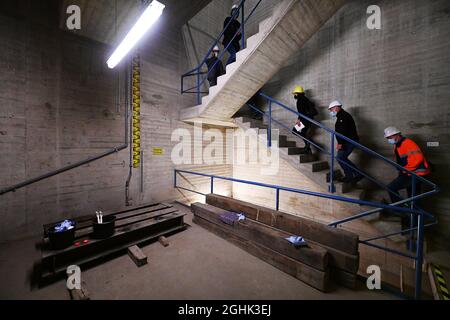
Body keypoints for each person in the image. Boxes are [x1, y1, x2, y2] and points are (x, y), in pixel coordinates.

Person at [384, 127, 431, 204]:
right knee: (413, 197)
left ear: (397, 135)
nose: (389, 139)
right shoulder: (398, 144)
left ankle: (401, 209)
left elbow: (417, 159)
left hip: (416, 173)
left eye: (390, 137)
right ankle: (411, 213)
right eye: (388, 138)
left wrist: (404, 169)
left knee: (391, 188)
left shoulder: (408, 143)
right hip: (410, 173)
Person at [328, 100, 364, 184]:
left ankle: (350, 176)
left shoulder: (343, 116)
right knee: (342, 158)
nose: (330, 111)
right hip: (349, 140)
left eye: (331, 109)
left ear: (336, 107)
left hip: (348, 140)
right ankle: (357, 174)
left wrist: (340, 143)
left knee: (340, 157)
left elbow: (342, 131)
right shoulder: (342, 116)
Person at [291, 86, 318, 154]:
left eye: (295, 93)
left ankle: (308, 144)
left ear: (297, 93)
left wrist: (299, 120)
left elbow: (301, 112)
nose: (294, 95)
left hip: (305, 119)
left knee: (294, 131)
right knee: (303, 132)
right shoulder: (305, 99)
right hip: (309, 119)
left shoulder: (300, 100)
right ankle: (307, 148)